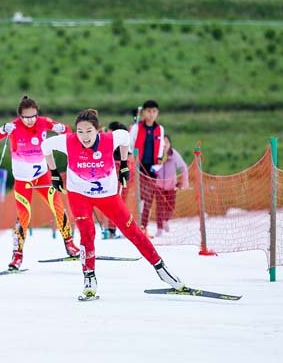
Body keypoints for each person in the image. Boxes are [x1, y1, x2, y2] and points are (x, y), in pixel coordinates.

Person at [41, 109, 184, 300]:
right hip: (79, 195)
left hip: (107, 195)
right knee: (87, 233)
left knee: (132, 231)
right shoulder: (68, 141)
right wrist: (54, 173)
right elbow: (45, 146)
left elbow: (125, 138)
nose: (84, 136)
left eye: (89, 131)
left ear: (97, 130)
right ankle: (89, 278)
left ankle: (161, 269)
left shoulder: (109, 139)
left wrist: (124, 164)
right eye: (80, 132)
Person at [0, 95, 79, 271]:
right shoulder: (13, 126)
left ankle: (70, 244)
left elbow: (68, 131)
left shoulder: (44, 122)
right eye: (26, 117)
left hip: (42, 176)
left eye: (33, 116)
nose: (30, 120)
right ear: (20, 116)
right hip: (23, 181)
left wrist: (62, 128)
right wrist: (2, 130)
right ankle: (17, 254)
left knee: (58, 207)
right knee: (24, 215)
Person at [128, 100, 165, 235]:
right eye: (149, 111)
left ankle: (143, 226)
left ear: (157, 113)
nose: (151, 114)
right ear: (143, 112)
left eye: (154, 111)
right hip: (138, 166)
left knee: (149, 198)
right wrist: (131, 155)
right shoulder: (137, 128)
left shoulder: (159, 129)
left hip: (152, 167)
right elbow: (130, 143)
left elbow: (160, 146)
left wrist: (160, 159)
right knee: (140, 197)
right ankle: (137, 225)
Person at [154, 135, 189, 237]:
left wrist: (184, 182)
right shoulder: (156, 154)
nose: (164, 145)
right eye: (162, 143)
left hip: (171, 185)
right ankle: (159, 228)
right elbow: (150, 167)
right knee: (160, 207)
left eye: (167, 142)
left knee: (171, 206)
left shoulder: (174, 155)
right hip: (158, 185)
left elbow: (183, 167)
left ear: (170, 144)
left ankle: (165, 220)